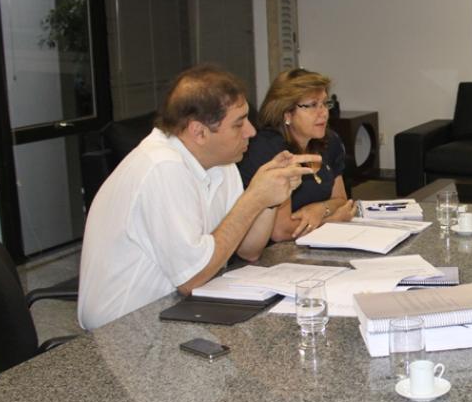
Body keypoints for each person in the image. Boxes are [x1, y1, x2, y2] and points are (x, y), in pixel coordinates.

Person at [78, 65, 317, 330]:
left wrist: (269, 197)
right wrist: (253, 198)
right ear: (199, 132)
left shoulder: (221, 163)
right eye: (239, 124)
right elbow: (191, 278)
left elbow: (250, 250)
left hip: (176, 310)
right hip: (124, 328)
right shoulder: (162, 167)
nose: (251, 131)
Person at [238, 69, 355, 241]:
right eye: (312, 105)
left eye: (324, 103)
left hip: (313, 242)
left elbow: (341, 200)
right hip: (269, 255)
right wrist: (333, 221)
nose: (323, 112)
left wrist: (320, 209)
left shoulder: (329, 141)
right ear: (287, 114)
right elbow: (281, 231)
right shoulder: (270, 150)